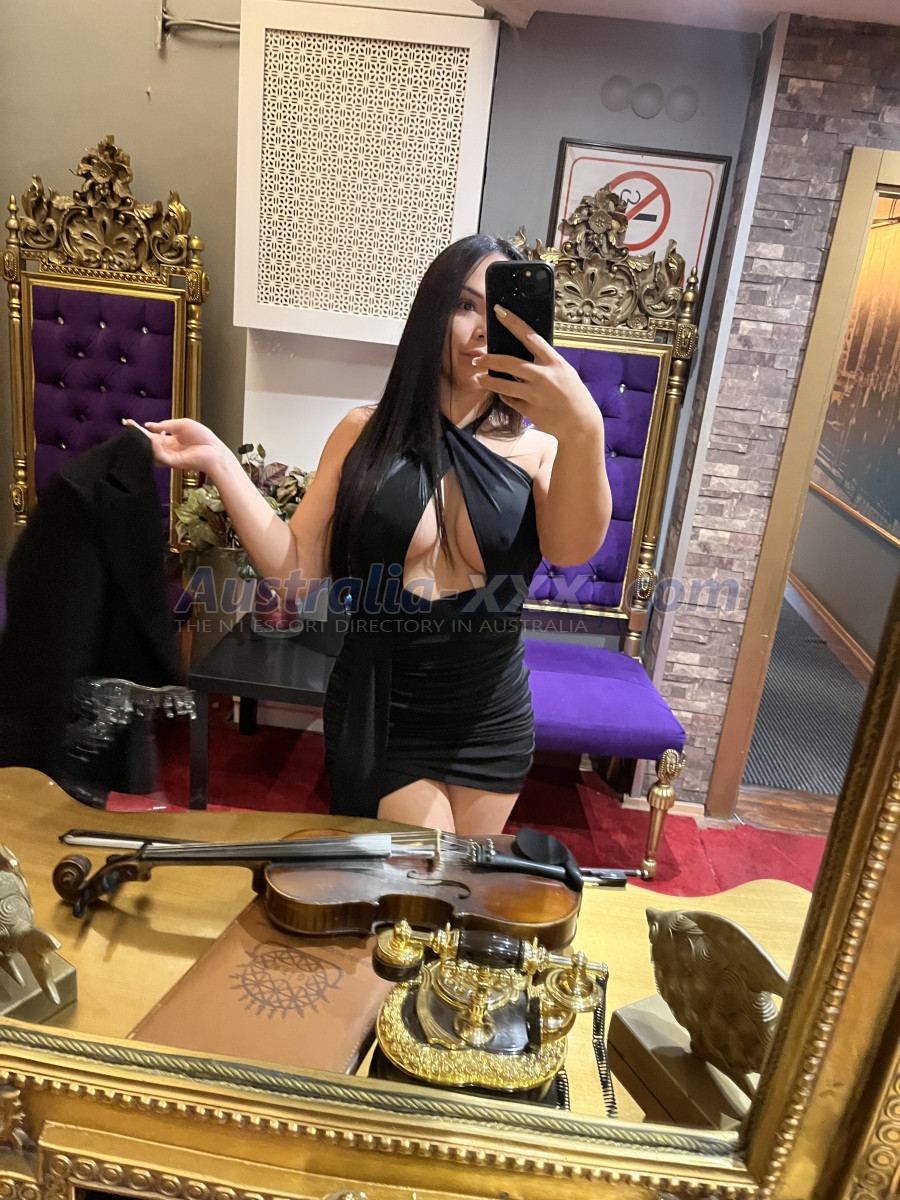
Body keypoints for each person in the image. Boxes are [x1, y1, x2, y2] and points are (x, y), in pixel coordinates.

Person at [128, 234, 612, 836]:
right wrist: (221, 463)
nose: (483, 329)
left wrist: (585, 428)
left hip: (490, 712)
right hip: (384, 704)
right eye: (465, 306)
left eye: (500, 312)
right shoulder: (363, 433)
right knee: (422, 867)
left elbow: (571, 549)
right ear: (432, 313)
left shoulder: (540, 451)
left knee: (460, 885)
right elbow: (296, 572)